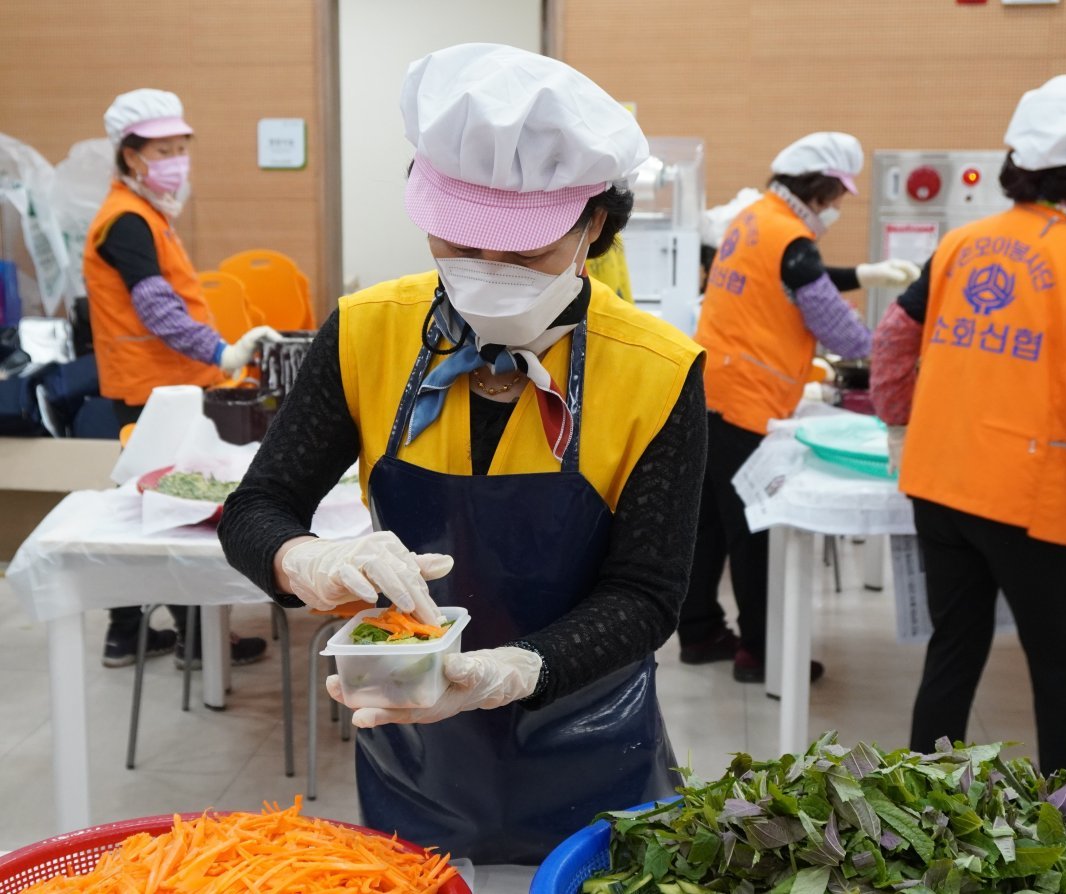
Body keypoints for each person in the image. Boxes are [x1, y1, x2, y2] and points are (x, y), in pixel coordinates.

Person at [218, 43, 705, 865]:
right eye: (464, 242)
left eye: (524, 249)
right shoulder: (367, 331)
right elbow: (255, 510)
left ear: (595, 223)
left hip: (593, 738)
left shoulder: (656, 369)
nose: (487, 273)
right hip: (413, 743)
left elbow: (649, 595)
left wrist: (514, 669)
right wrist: (305, 558)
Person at [870, 68, 1066, 817]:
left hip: (940, 485)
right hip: (1027, 501)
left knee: (954, 649)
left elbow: (890, 341)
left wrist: (899, 425)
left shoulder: (962, 244)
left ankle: (916, 811)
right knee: (1059, 667)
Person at [678, 132, 920, 683]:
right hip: (748, 402)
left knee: (710, 524)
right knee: (755, 533)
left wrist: (864, 274)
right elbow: (834, 323)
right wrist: (892, 352)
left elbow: (792, 279)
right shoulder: (793, 239)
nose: (837, 207)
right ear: (822, 188)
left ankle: (698, 632)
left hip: (707, 389)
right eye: (838, 196)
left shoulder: (752, 219)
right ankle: (763, 654)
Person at [83, 88, 276, 668]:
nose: (174, 159)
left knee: (162, 510)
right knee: (175, 513)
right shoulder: (126, 223)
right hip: (151, 392)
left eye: (180, 147)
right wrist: (223, 351)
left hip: (161, 385)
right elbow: (159, 310)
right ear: (129, 156)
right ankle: (193, 641)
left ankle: (134, 632)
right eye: (161, 149)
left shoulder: (146, 216)